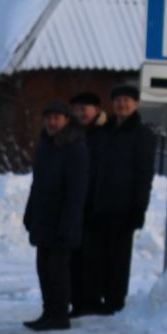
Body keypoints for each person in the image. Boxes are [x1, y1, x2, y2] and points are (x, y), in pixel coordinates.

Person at [80, 83, 158, 315]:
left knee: (118, 257)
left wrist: (139, 208)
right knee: (96, 255)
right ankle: (94, 298)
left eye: (127, 101)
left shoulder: (143, 135)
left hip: (124, 208)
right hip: (99, 204)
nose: (122, 105)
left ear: (135, 104)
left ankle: (115, 300)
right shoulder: (105, 131)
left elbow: (144, 175)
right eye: (118, 101)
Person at [21, 100, 88, 331]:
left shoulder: (75, 148)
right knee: (44, 269)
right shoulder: (45, 146)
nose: (52, 122)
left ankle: (60, 316)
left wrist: (69, 223)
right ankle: (48, 312)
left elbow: (76, 191)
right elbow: (36, 184)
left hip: (62, 221)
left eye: (56, 118)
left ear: (66, 120)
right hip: (44, 218)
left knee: (58, 271)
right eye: (48, 117)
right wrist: (29, 213)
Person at [67, 90, 107, 314]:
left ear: (96, 110)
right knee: (74, 257)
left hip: (96, 204)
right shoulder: (71, 133)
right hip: (75, 203)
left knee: (93, 257)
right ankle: (77, 301)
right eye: (77, 109)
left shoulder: (104, 133)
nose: (81, 113)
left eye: (85, 108)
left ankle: (92, 301)